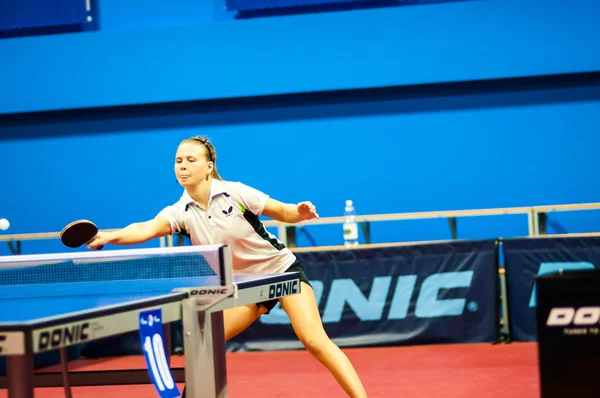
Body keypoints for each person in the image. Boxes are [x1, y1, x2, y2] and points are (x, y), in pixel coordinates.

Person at [86, 136, 368, 397]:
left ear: (209, 167)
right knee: (204, 343)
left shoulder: (235, 193)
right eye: (178, 160)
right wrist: (109, 236)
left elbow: (282, 211)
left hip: (281, 271)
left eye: (190, 160)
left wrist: (300, 212)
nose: (182, 166)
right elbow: (145, 229)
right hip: (244, 287)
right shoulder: (179, 213)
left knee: (315, 340)